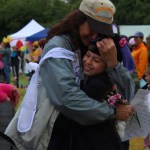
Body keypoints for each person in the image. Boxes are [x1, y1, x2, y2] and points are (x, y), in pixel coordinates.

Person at [5, 0, 135, 149]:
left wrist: (113, 65)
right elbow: (66, 97)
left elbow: (127, 95)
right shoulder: (59, 45)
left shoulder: (89, 47)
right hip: (51, 134)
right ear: (79, 20)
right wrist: (112, 112)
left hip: (79, 136)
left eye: (100, 31)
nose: (94, 35)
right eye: (92, 28)